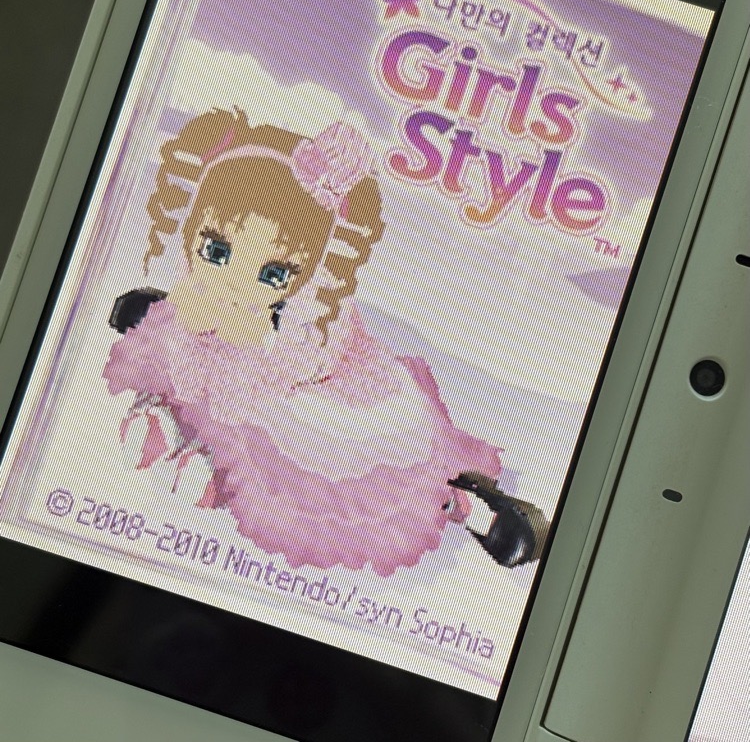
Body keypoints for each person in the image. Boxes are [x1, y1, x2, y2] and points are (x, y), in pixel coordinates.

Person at [104, 108, 545, 576]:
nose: (235, 282)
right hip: (240, 371)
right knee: (182, 363)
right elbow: (190, 331)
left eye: (273, 274)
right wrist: (180, 316)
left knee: (349, 470)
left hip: (310, 385)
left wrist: (250, 340)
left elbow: (288, 369)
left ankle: (460, 502)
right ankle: (168, 424)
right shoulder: (201, 279)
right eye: (217, 250)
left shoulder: (315, 318)